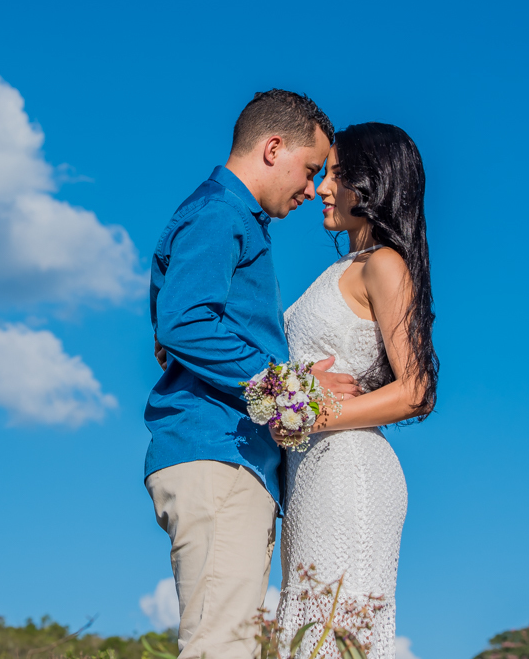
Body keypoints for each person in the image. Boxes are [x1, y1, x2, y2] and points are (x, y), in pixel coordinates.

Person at [144, 89, 360, 659]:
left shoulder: (220, 216)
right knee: (222, 648)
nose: (312, 188)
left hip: (229, 457)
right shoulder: (219, 213)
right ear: (272, 148)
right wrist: (292, 387)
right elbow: (183, 324)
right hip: (218, 454)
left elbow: (171, 325)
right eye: (310, 169)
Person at [273, 122, 438, 659]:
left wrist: (313, 416)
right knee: (307, 634)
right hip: (311, 473)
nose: (322, 187)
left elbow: (417, 390)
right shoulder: (342, 268)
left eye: (337, 175)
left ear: (372, 184)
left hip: (349, 471)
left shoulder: (385, 265)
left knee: (333, 631)